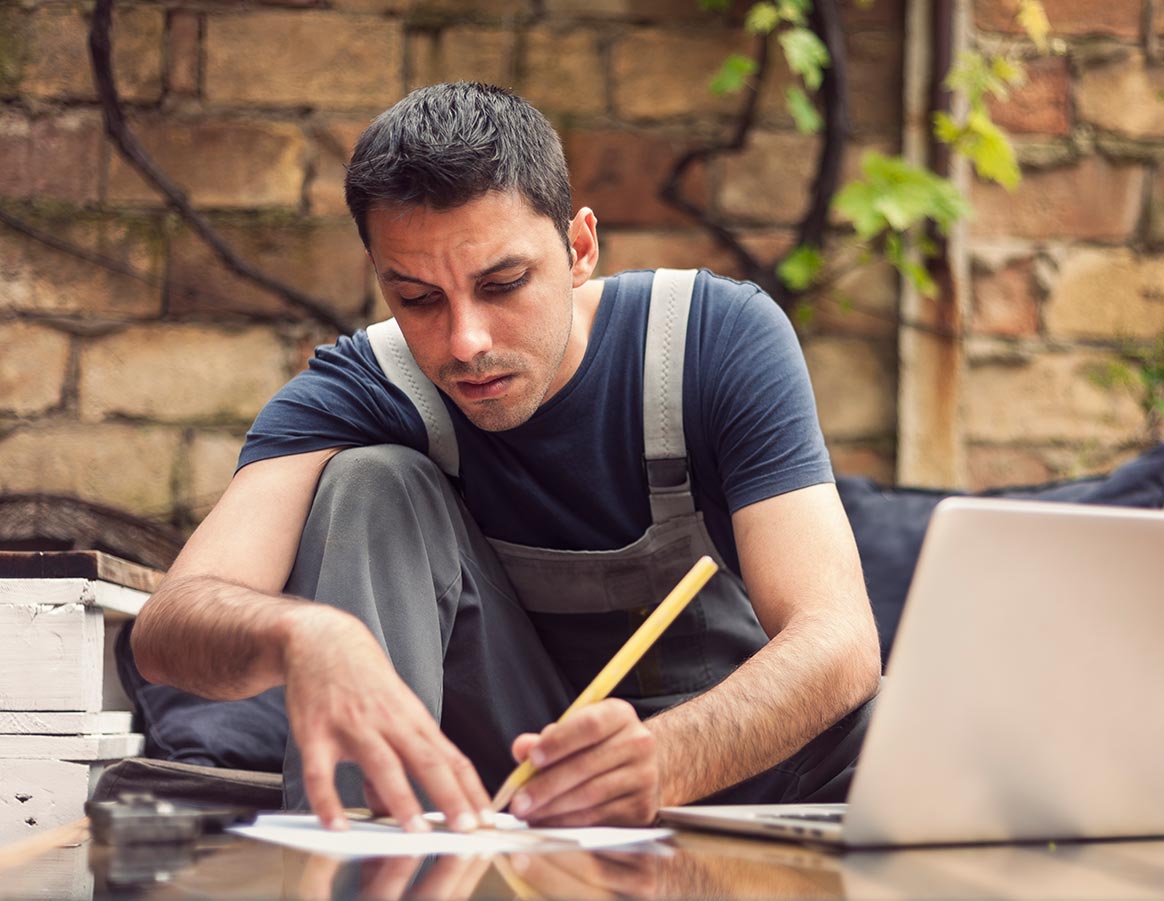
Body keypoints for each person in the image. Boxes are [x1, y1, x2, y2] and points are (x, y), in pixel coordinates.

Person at [130, 82, 881, 834]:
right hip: (514, 794)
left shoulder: (712, 339)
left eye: (503, 284)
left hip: (749, 776)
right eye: (419, 298)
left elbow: (838, 640)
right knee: (369, 482)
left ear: (579, 248)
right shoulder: (363, 386)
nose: (466, 342)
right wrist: (305, 633)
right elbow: (167, 626)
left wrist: (664, 759)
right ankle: (363, 856)